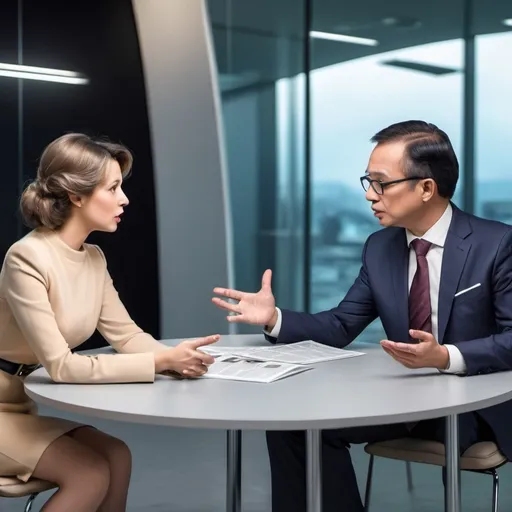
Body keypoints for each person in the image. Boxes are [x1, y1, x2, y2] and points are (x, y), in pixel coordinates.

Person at [212, 120, 512, 512]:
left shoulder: (496, 243)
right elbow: (340, 325)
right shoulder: (379, 247)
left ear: (426, 188)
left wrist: (446, 357)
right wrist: (274, 319)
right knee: (292, 425)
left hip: (471, 404)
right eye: (367, 182)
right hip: (400, 399)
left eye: (381, 183)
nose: (370, 196)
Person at [0, 133, 219, 512]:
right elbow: (63, 366)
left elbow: (127, 335)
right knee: (89, 474)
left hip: (19, 403)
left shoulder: (93, 257)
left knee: (117, 456)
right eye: (113, 188)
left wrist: (177, 358)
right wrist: (159, 363)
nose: (124, 199)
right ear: (76, 196)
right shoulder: (27, 258)